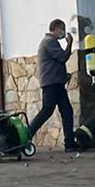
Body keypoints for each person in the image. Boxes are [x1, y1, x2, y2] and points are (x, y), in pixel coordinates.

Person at [27, 18, 77, 152]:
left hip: (56, 84)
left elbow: (55, 63)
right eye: (62, 29)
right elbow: (62, 57)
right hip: (52, 84)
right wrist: (69, 44)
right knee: (47, 111)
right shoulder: (49, 42)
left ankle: (70, 143)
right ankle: (26, 136)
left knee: (66, 111)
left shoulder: (49, 42)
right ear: (55, 29)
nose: (63, 32)